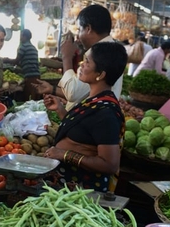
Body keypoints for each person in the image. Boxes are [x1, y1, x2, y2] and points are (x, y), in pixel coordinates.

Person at [42, 42, 127, 193]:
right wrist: (60, 110)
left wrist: (64, 154)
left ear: (100, 74)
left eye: (87, 61)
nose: (81, 64)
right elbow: (83, 131)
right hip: (66, 184)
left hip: (81, 191)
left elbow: (110, 164)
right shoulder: (94, 99)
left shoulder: (106, 113)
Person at [34, 4, 122, 111]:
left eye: (79, 29)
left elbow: (73, 93)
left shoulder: (103, 55)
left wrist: (67, 57)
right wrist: (52, 89)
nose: (78, 36)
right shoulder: (106, 51)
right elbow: (82, 91)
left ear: (88, 29)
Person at [14, 29, 41, 101]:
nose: (20, 38)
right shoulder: (33, 48)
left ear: (25, 36)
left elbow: (16, 61)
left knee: (29, 98)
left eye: (21, 36)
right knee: (35, 97)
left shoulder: (23, 47)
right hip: (37, 76)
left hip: (30, 76)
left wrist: (6, 59)